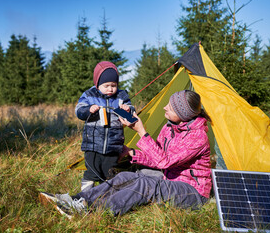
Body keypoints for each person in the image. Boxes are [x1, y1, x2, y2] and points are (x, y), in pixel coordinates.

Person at [40, 90, 212, 218]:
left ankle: (96, 211)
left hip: (193, 192)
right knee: (126, 177)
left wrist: (141, 131)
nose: (165, 107)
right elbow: (157, 156)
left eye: (172, 108)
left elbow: (163, 162)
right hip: (170, 178)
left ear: (183, 114)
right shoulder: (170, 127)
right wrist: (131, 153)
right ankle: (76, 200)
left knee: (145, 184)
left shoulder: (197, 136)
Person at [75, 61, 135, 191]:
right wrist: (88, 110)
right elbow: (78, 111)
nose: (110, 89)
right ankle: (85, 195)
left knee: (110, 174)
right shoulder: (89, 95)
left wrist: (127, 109)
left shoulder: (121, 96)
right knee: (92, 172)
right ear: (97, 83)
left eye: (113, 85)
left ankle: (105, 197)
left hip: (114, 144)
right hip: (93, 144)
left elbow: (131, 115)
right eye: (106, 85)